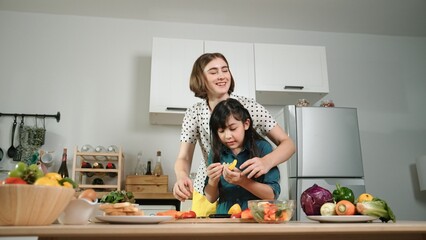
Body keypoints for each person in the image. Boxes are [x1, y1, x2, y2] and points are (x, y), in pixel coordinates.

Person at [173, 52, 295, 216]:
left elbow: (288, 143)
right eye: (213, 72)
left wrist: (266, 162)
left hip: (249, 194)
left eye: (225, 70)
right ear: (200, 78)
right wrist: (181, 177)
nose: (222, 76)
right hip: (210, 188)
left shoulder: (249, 107)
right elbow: (184, 157)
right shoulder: (194, 113)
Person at [204, 98, 280, 213]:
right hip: (225, 220)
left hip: (255, 218)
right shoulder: (216, 152)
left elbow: (272, 195)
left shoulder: (262, 148)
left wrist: (243, 181)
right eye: (221, 131)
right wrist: (212, 181)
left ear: (246, 124)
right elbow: (211, 198)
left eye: (233, 128)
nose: (227, 136)